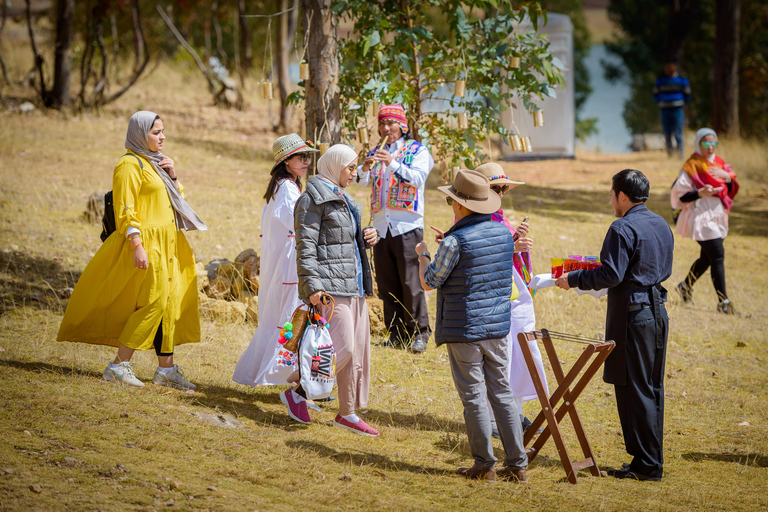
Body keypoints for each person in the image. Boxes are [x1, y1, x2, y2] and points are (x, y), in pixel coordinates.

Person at [57, 111, 207, 389]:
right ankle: (118, 365)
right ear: (140, 134)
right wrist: (137, 245)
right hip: (147, 243)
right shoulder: (129, 165)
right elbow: (127, 209)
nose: (162, 137)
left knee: (169, 304)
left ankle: (166, 370)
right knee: (154, 301)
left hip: (170, 242)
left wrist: (172, 175)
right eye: (155, 132)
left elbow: (176, 201)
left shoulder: (156, 163)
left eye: (162, 131)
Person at [555, 169, 673, 482]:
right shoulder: (661, 223)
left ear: (622, 196)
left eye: (611, 195)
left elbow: (611, 275)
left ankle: (647, 466)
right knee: (652, 388)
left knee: (634, 389)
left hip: (634, 317)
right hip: (658, 312)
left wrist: (574, 279)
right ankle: (648, 460)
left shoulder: (621, 227)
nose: (610, 202)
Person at [416, 169, 528, 483]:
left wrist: (424, 254)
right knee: (502, 393)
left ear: (462, 206)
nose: (451, 204)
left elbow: (430, 281)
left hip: (464, 328)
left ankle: (485, 465)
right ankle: (517, 464)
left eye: (452, 199)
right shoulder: (504, 234)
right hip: (497, 326)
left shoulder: (455, 240)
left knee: (474, 396)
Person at [292, 144, 380, 435]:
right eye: (350, 167)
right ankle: (298, 391)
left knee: (355, 354)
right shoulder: (312, 199)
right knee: (341, 349)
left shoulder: (345, 199)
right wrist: (313, 287)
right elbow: (305, 247)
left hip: (353, 284)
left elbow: (345, 241)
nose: (355, 173)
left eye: (356, 167)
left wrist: (366, 237)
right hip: (330, 288)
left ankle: (347, 413)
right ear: (334, 166)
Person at [232, 134, 319, 412]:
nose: (306, 161)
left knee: (285, 318)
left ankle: (294, 382)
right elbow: (299, 225)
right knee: (292, 319)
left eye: (308, 157)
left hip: (284, 263)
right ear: (285, 161)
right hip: (289, 264)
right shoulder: (288, 190)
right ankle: (295, 385)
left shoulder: (285, 187)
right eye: (300, 157)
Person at [473, 162, 548, 437]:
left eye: (503, 189)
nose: (501, 193)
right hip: (494, 296)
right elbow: (478, 256)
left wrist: (515, 241)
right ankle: (494, 419)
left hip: (513, 294)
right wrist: (511, 246)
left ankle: (514, 412)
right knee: (498, 355)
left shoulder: (498, 217)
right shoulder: (475, 218)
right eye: (495, 188)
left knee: (518, 353)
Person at [355, 104, 434, 352]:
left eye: (391, 123)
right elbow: (359, 181)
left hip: (407, 225)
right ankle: (396, 333)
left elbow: (418, 178)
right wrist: (366, 167)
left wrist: (392, 163)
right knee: (387, 282)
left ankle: (420, 333)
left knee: (412, 281)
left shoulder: (418, 151)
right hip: (381, 226)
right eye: (382, 124)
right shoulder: (376, 151)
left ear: (402, 125)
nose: (386, 128)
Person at [671, 128, 739, 314]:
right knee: (717, 255)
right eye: (706, 143)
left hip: (718, 216)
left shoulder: (720, 164)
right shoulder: (691, 165)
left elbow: (733, 186)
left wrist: (726, 177)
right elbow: (680, 196)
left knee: (707, 258)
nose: (710, 147)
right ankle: (723, 302)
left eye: (714, 143)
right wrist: (701, 192)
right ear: (698, 144)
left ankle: (685, 286)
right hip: (700, 216)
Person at [653, 61, 691, 158]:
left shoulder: (682, 80)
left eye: (670, 67)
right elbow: (655, 94)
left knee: (678, 133)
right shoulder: (660, 80)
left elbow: (687, 95)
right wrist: (661, 102)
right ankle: (670, 154)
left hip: (678, 110)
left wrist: (680, 103)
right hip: (664, 110)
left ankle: (680, 154)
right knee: (667, 133)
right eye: (667, 67)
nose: (668, 69)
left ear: (676, 67)